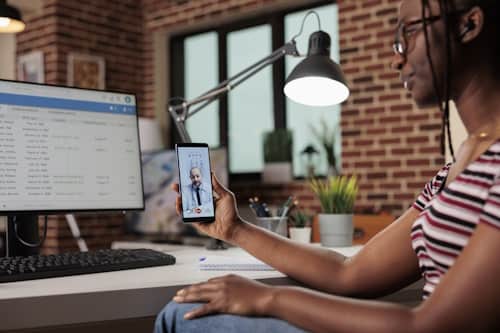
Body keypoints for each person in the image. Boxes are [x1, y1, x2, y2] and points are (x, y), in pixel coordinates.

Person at [155, 0, 500, 331]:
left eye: (407, 33)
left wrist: (270, 298)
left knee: (179, 315)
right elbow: (350, 273)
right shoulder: (453, 172)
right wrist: (234, 229)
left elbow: (431, 326)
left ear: (468, 24)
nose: (397, 59)